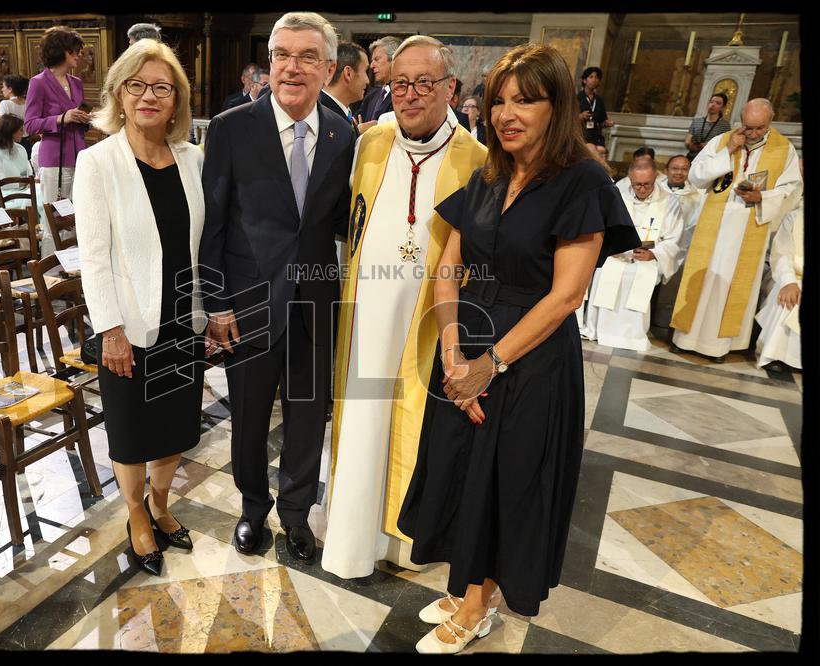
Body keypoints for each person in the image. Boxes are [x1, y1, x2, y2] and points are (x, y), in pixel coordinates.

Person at [396, 43, 639, 654]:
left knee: (505, 480)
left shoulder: (583, 180)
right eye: (499, 101)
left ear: (558, 107)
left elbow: (566, 296)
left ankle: (476, 606)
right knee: (461, 471)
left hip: (531, 357)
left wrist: (489, 365)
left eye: (525, 101)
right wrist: (453, 353)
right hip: (468, 340)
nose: (507, 114)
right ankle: (466, 584)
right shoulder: (489, 174)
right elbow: (448, 269)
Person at [322, 35, 488, 581]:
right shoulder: (371, 142)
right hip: (365, 314)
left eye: (423, 83)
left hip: (427, 323)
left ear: (450, 88)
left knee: (415, 423)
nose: (410, 95)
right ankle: (352, 535)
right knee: (362, 417)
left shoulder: (478, 161)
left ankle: (404, 542)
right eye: (400, 84)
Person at [200, 11, 353, 562]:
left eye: (307, 56)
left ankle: (295, 514)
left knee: (308, 417)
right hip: (247, 304)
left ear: (328, 68)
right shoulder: (231, 128)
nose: (292, 67)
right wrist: (216, 305)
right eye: (282, 55)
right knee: (248, 416)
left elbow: (338, 219)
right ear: (269, 63)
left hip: (315, 302)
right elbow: (213, 225)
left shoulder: (342, 133)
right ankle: (252, 507)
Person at [75, 38, 206, 576]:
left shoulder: (193, 158)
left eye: (162, 88)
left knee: (174, 425)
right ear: (119, 94)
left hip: (183, 315)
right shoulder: (97, 162)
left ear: (177, 101)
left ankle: (161, 503)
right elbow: (92, 255)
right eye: (137, 85)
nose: (149, 96)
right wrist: (109, 328)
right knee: (131, 430)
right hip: (127, 324)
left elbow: (204, 242)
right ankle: (135, 514)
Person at [670, 98, 801, 363]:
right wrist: (728, 150)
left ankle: (718, 347)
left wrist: (762, 197)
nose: (753, 134)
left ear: (770, 122)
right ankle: (685, 339)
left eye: (760, 128)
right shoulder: (722, 141)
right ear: (741, 120)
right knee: (703, 281)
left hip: (750, 226)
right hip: (713, 225)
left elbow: (791, 190)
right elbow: (695, 176)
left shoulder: (783, 148)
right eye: (748, 127)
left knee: (733, 287)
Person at [579, 163, 684, 351]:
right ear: (630, 180)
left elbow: (675, 240)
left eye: (647, 184)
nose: (642, 189)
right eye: (637, 185)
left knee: (640, 275)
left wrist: (653, 254)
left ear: (656, 178)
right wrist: (612, 247)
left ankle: (633, 336)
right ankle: (598, 329)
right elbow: (602, 227)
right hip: (618, 255)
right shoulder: (619, 195)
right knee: (606, 269)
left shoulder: (669, 202)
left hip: (648, 258)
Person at [24, 25, 91, 257]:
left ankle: (73, 270)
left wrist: (84, 119)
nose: (79, 54)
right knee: (54, 219)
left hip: (79, 156)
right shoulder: (38, 82)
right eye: (75, 50)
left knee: (75, 217)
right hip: (54, 160)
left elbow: (77, 119)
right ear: (61, 50)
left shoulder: (77, 82)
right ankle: (50, 271)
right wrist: (62, 118)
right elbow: (30, 125)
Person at [755, 162, 802, 370]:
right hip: (792, 275)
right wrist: (789, 282)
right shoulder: (795, 216)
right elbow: (782, 254)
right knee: (789, 297)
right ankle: (778, 355)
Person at [651, 154, 704, 330]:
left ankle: (663, 322)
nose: (679, 173)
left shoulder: (697, 196)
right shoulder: (654, 190)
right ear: (666, 170)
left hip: (684, 247)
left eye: (684, 169)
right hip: (656, 244)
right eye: (675, 168)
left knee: (676, 284)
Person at [0, 114, 42, 219]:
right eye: (20, 130)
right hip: (6, 195)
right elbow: (1, 183)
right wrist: (26, 182)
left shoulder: (21, 149)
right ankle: (43, 226)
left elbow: (29, 172)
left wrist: (31, 181)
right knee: (40, 196)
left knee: (45, 191)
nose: (23, 133)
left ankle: (45, 225)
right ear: (10, 131)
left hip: (25, 189)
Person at [356, 36, 402, 128]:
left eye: (377, 59)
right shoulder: (371, 96)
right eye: (372, 60)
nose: (372, 65)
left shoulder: (404, 94)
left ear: (393, 60)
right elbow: (356, 122)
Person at [321, 41, 369, 128]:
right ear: (348, 73)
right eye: (365, 71)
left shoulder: (337, 113)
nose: (367, 81)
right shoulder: (322, 116)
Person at [684, 92, 730, 162]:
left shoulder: (725, 125)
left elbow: (725, 145)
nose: (713, 105)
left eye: (718, 103)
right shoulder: (696, 121)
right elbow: (687, 141)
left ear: (722, 107)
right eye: (711, 102)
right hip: (693, 157)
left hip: (710, 160)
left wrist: (709, 146)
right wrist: (694, 146)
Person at [577, 66, 614, 149]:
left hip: (595, 137)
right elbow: (567, 119)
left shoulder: (599, 100)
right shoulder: (576, 98)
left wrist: (606, 123)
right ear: (584, 80)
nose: (594, 80)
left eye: (597, 77)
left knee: (601, 151)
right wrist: (580, 116)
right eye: (591, 77)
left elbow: (602, 121)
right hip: (580, 136)